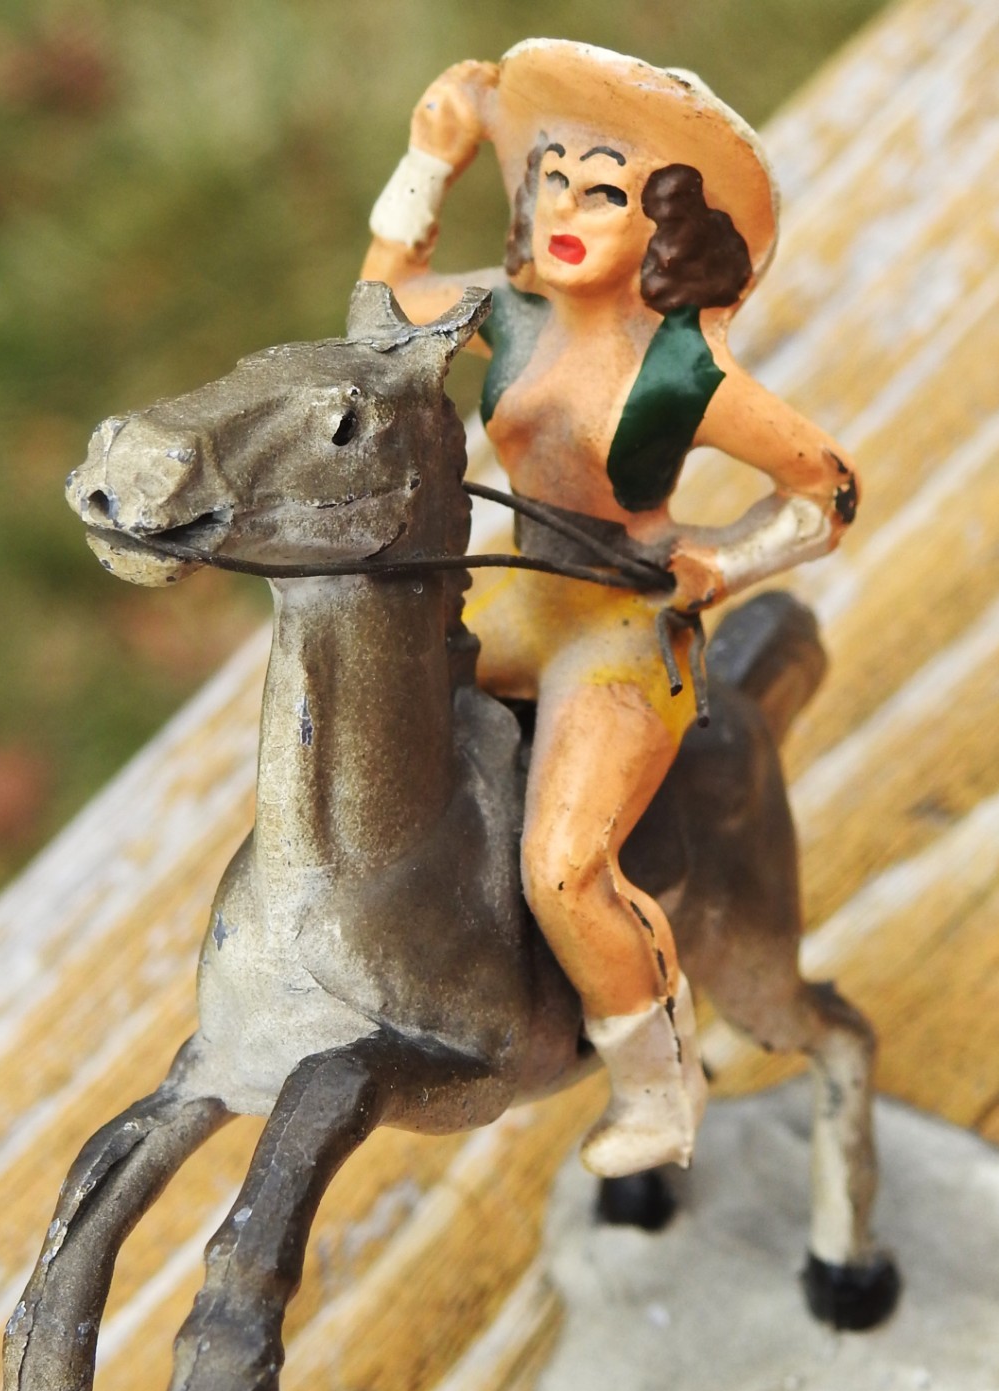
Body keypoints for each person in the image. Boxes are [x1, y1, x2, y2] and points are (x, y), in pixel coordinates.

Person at [361, 40, 859, 1179]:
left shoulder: (683, 376)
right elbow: (378, 315)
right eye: (551, 180)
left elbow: (827, 492)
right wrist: (429, 161)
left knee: (564, 865)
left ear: (665, 231)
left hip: (623, 635)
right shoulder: (512, 316)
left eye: (605, 193)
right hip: (518, 594)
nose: (565, 210)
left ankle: (656, 1083)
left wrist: (723, 563)